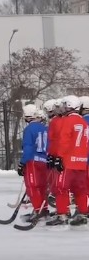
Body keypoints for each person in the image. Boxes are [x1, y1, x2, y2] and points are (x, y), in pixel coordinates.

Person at [46, 95, 89, 227]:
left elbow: (63, 141)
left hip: (68, 161)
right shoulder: (83, 122)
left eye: (65, 105)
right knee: (80, 189)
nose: (63, 108)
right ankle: (83, 213)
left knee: (61, 188)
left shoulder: (67, 121)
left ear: (70, 106)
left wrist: (57, 156)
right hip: (81, 161)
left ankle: (62, 214)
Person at [16, 104, 49, 223]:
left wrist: (22, 163)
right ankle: (43, 210)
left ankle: (37, 210)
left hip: (33, 162)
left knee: (33, 186)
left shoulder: (29, 129)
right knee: (43, 186)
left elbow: (28, 149)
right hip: (45, 161)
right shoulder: (44, 128)